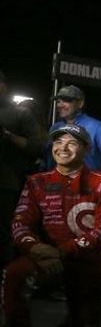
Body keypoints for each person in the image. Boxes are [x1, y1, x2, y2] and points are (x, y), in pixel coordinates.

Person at [1, 125, 101, 327]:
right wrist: (36, 249)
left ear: (86, 148)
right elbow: (20, 223)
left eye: (72, 143)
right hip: (43, 256)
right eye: (58, 143)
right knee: (15, 273)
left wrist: (62, 251)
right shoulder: (36, 182)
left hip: (85, 258)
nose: (63, 148)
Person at [0, 70, 45, 266]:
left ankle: (6, 278)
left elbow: (37, 147)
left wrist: (8, 136)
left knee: (3, 233)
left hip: (6, 183)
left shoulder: (20, 112)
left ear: (4, 85)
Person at [45, 85, 101, 174]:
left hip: (86, 185)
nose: (60, 105)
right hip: (58, 184)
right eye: (58, 101)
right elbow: (49, 158)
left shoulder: (96, 126)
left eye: (67, 100)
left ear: (80, 103)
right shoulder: (55, 127)